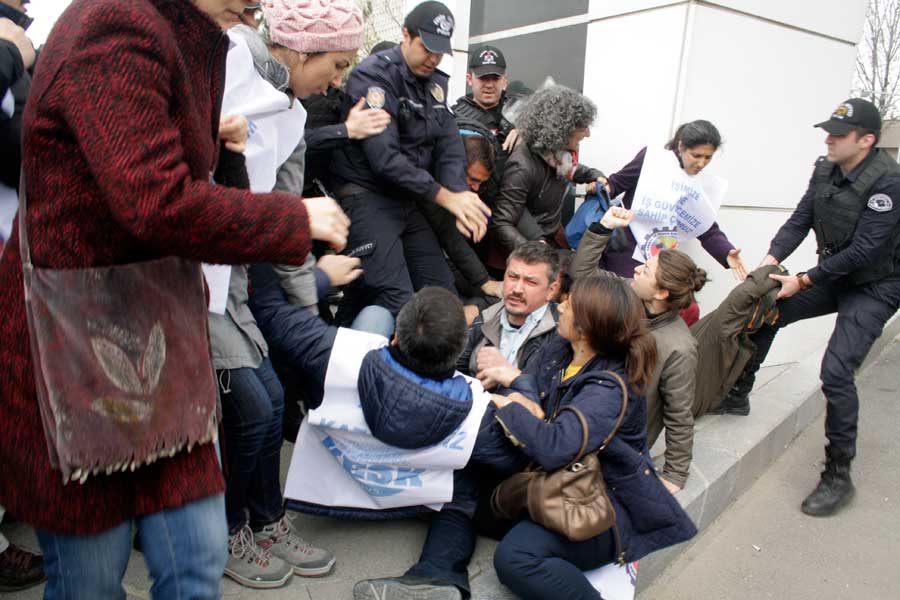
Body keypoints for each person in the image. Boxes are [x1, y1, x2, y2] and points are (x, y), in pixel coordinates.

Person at [0, 0, 350, 597]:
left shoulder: (199, 39)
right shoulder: (114, 25)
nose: (264, 3)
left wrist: (228, 154)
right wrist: (292, 218)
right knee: (91, 580)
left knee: (196, 561)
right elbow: (154, 203)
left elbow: (197, 189)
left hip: (160, 330)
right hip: (78, 343)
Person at [354, 276, 697, 600]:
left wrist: (507, 405)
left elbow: (554, 447)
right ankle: (437, 576)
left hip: (598, 504)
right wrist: (518, 382)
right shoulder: (562, 349)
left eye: (570, 305)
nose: (561, 306)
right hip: (548, 480)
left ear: (586, 329)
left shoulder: (609, 386)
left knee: (516, 558)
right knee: (460, 484)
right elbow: (534, 399)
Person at [722, 98, 900, 517]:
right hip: (834, 274)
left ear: (867, 140)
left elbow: (865, 249)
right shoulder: (825, 168)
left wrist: (802, 279)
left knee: (836, 371)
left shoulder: (889, 183)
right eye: (829, 132)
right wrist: (770, 261)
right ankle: (737, 393)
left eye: (839, 135)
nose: (829, 140)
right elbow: (801, 219)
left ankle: (838, 476)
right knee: (767, 311)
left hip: (875, 286)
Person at [330, 0, 491, 323]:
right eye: (426, 47)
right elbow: (385, 160)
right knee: (397, 298)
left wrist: (460, 193)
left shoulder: (435, 84)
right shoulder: (374, 77)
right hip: (368, 195)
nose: (433, 58)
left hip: (408, 199)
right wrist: (445, 197)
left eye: (440, 51)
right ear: (406, 35)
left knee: (442, 294)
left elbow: (449, 145)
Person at [572, 206, 707, 493]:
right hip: (583, 423)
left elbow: (679, 413)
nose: (635, 269)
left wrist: (675, 474)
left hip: (618, 449)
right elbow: (584, 276)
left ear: (661, 293)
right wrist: (602, 229)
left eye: (645, 270)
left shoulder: (679, 347)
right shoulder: (626, 296)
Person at [596, 119, 747, 280]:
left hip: (658, 258)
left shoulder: (696, 182)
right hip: (623, 249)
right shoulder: (652, 160)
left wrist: (726, 252)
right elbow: (615, 184)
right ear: (681, 146)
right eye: (696, 155)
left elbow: (704, 225)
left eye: (708, 157)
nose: (701, 163)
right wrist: (600, 185)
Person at [489, 85, 604, 258]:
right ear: (564, 130)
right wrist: (534, 253)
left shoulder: (556, 156)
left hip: (548, 239)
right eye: (583, 128)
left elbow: (576, 170)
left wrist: (595, 176)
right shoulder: (522, 166)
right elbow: (502, 222)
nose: (587, 134)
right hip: (522, 253)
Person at [457, 241, 560, 383]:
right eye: (513, 277)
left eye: (530, 282)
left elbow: (551, 398)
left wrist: (509, 376)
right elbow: (454, 369)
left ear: (551, 290)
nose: (517, 289)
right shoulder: (486, 317)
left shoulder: (561, 333)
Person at [452, 45, 521, 205]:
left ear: (505, 80)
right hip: (474, 203)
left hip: (512, 204)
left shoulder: (518, 110)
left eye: (495, 78)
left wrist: (525, 129)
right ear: (469, 79)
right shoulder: (455, 116)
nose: (489, 85)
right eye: (483, 78)